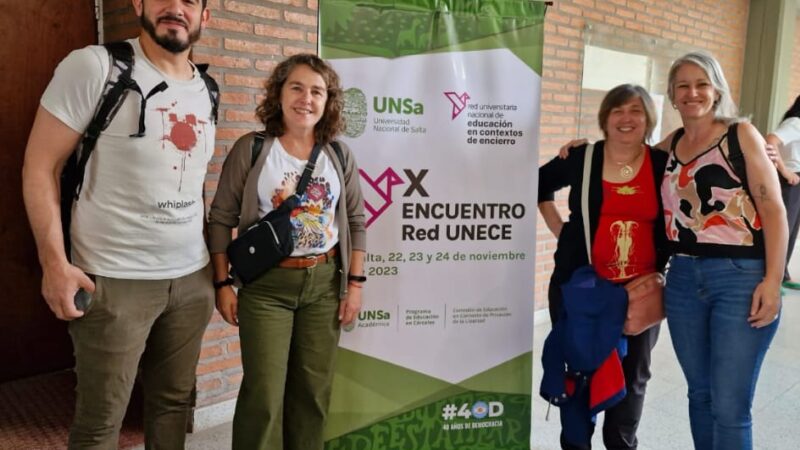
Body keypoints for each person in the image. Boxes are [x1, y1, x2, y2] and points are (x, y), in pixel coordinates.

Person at [22, 0, 217, 448]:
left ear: (205, 16)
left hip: (191, 278)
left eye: (190, 0)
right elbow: (39, 167)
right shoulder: (95, 67)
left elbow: (191, 180)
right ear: (138, 4)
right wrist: (54, 263)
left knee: (172, 404)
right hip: (113, 279)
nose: (175, 7)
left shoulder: (208, 89)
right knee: (100, 423)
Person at [207, 53, 366, 450]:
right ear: (279, 94)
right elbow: (221, 218)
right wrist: (223, 282)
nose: (306, 98)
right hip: (265, 288)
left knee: (312, 394)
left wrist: (356, 285)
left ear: (327, 101)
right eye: (296, 87)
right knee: (263, 396)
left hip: (324, 285)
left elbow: (357, 221)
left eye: (317, 91)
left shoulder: (339, 155)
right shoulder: (254, 149)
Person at [659, 52, 785, 450]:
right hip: (681, 280)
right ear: (673, 96)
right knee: (700, 394)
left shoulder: (740, 134)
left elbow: (773, 208)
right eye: (683, 85)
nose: (692, 92)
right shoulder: (670, 145)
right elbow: (621, 153)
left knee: (730, 407)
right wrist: (580, 150)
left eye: (701, 84)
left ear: (716, 91)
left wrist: (773, 280)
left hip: (740, 277)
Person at [538, 84, 668, 450]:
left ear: (648, 119)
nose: (627, 119)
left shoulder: (661, 164)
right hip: (581, 289)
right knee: (579, 372)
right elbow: (539, 184)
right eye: (617, 111)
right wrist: (560, 229)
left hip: (640, 294)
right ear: (605, 118)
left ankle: (621, 444)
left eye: (636, 111)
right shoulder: (583, 158)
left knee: (632, 377)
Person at [766, 95, 800, 289]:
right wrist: (785, 171)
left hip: (796, 180)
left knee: (792, 230)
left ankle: (782, 275)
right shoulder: (795, 122)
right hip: (789, 179)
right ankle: (772, 278)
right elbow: (771, 140)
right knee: (782, 230)